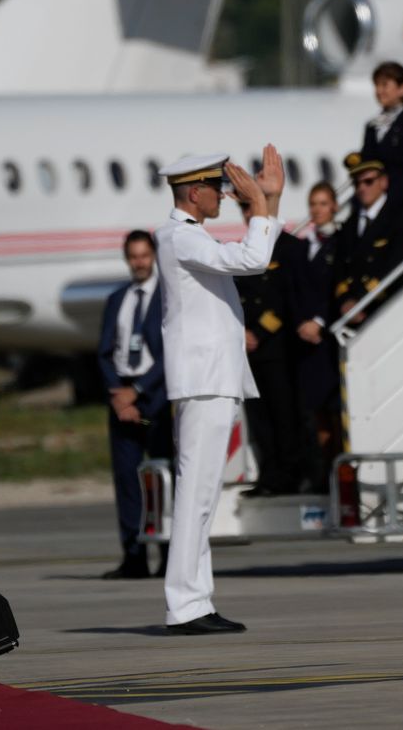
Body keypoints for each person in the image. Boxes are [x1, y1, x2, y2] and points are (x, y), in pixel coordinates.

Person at [155, 146, 284, 635]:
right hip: (203, 381)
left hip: (212, 379)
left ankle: (195, 600)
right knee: (196, 494)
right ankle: (185, 604)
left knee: (203, 495)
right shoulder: (178, 237)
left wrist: (266, 201)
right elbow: (253, 258)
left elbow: (251, 255)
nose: (225, 196)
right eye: (217, 188)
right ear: (194, 192)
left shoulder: (188, 238)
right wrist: (263, 205)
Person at [96, 230, 171, 579]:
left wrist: (139, 391)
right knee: (127, 479)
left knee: (163, 477)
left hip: (155, 396)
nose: (139, 263)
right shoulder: (117, 298)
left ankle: (169, 554)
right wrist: (118, 394)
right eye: (134, 257)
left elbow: (170, 352)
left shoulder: (168, 297)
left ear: (153, 256)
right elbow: (104, 352)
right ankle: (133, 555)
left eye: (144, 256)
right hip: (121, 397)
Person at [237, 200, 307, 496]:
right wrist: (241, 331)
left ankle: (290, 475)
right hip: (250, 349)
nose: (249, 215)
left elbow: (288, 298)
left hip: (278, 347)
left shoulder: (289, 247)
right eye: (245, 209)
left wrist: (259, 332)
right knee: (260, 418)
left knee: (284, 415)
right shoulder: (244, 249)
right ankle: (268, 475)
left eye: (253, 208)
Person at [334, 153, 403, 325]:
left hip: (387, 307)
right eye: (357, 183)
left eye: (368, 182)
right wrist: (345, 300)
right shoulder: (349, 226)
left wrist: (361, 300)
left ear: (383, 182)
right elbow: (339, 269)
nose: (362, 188)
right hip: (352, 312)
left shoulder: (401, 219)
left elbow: (398, 264)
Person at [295, 182, 343, 492]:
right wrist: (302, 322)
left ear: (334, 207)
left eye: (323, 203)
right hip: (307, 341)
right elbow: (296, 290)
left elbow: (338, 287)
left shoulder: (341, 242)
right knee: (316, 416)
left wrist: (319, 321)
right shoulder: (303, 245)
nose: (317, 209)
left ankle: (337, 473)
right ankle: (322, 474)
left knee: (335, 412)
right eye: (313, 204)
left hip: (328, 338)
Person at [361, 61, 403, 248]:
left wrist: (386, 201)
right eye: (377, 85)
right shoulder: (372, 126)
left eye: (385, 85)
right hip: (374, 209)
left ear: (402, 89)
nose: (379, 91)